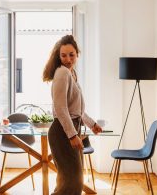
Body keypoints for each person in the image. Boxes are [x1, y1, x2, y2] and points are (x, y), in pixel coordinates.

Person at [42, 35, 102, 195]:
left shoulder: (71, 73)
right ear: (58, 56)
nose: (68, 59)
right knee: (73, 183)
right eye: (63, 55)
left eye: (71, 55)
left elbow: (77, 110)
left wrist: (92, 124)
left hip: (71, 130)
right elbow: (60, 108)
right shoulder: (62, 73)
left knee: (69, 181)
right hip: (62, 132)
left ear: (77, 54)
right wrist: (72, 135)